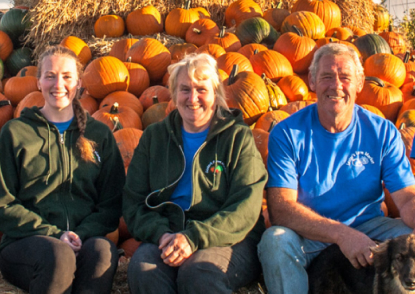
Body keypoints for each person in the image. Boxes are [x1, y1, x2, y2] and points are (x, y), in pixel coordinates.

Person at [258, 43, 415, 294]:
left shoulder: (382, 132)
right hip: (309, 233)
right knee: (275, 242)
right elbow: (281, 210)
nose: (336, 86)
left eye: (345, 77)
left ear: (360, 83)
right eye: (327, 76)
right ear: (311, 80)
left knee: (410, 239)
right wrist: (342, 235)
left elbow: (406, 199)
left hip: (369, 225)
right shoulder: (287, 134)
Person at [123, 53, 267, 294]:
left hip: (229, 238)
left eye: (201, 89)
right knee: (143, 268)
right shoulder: (154, 137)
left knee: (199, 273)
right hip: (168, 233)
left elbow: (246, 206)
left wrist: (193, 238)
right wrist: (161, 235)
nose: (193, 98)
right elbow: (134, 202)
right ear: (174, 93)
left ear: (216, 94)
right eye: (184, 89)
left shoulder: (237, 137)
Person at [0, 45, 125, 294]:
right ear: (38, 83)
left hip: (84, 238)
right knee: (59, 255)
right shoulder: (15, 133)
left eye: (67, 76)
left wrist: (80, 234)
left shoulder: (99, 134)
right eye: (50, 76)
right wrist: (56, 234)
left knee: (102, 252)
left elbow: (112, 203)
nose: (58, 84)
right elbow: (4, 203)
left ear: (79, 83)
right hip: (27, 241)